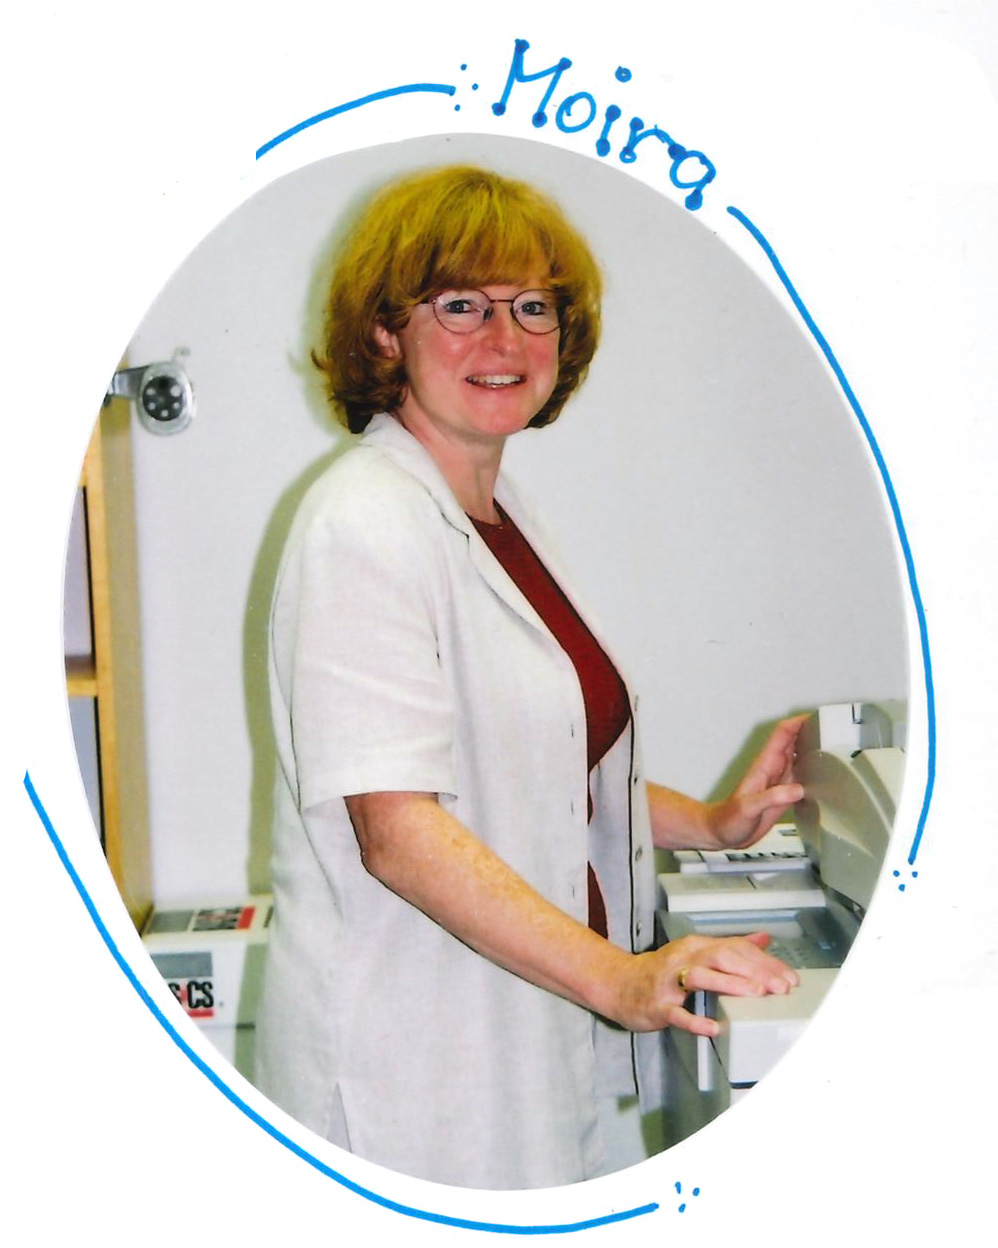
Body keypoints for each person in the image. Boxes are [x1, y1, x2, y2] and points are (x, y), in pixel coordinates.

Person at [254, 164, 805, 1190]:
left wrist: (711, 823)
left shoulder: (502, 519)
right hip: (411, 1064)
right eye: (460, 305)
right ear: (385, 333)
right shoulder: (363, 521)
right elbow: (397, 830)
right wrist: (621, 980)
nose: (503, 339)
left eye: (532, 307)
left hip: (512, 1035)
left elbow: (527, 768)